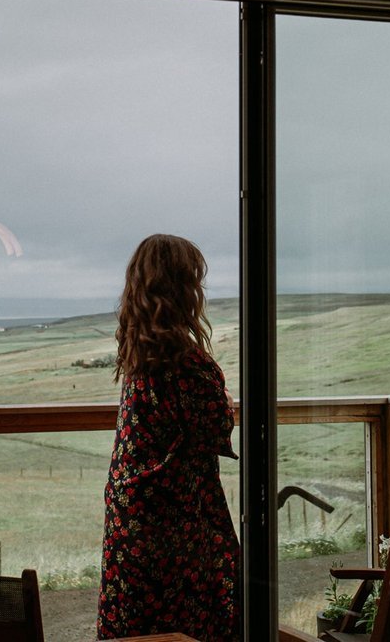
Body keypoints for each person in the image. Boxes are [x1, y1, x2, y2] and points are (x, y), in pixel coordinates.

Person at [96, 233, 240, 642]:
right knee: (190, 622)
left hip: (132, 513)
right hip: (176, 518)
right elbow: (213, 428)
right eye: (194, 280)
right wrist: (224, 402)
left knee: (137, 624)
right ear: (182, 288)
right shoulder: (187, 361)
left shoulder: (139, 352)